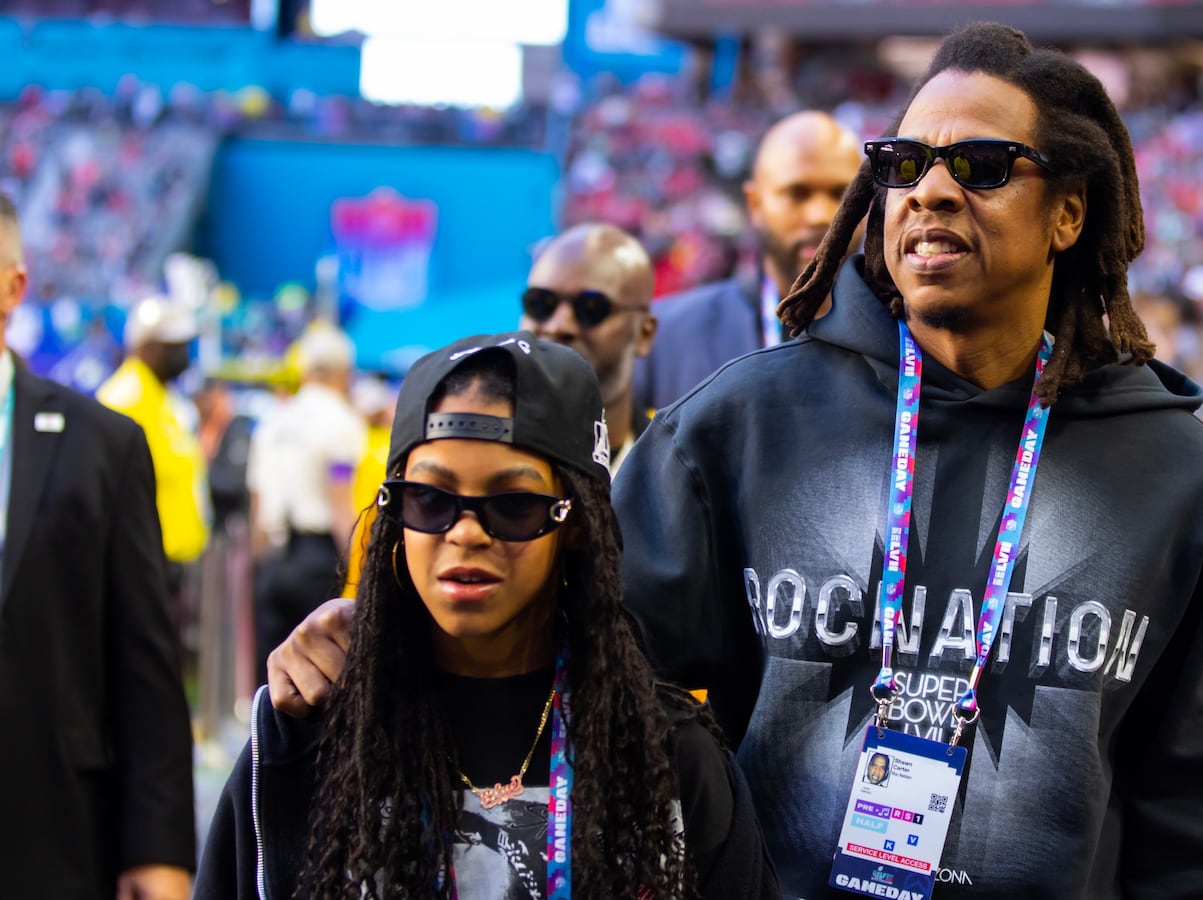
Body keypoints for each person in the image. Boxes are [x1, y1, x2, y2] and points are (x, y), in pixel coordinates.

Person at [270, 24, 1203, 898]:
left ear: (1068, 212)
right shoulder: (740, 425)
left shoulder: (1176, 476)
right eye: (903, 164)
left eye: (979, 165)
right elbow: (570, 652)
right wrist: (378, 635)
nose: (929, 191)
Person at [198, 333, 778, 899]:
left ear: (576, 523)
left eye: (514, 505)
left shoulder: (664, 754)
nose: (466, 533)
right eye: (430, 498)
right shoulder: (311, 733)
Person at [0, 193, 195, 898]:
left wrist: (158, 848)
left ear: (13, 288)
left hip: (49, 837)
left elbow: (142, 661)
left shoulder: (101, 444)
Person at [633, 111, 862, 411]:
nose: (820, 215)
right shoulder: (667, 338)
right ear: (755, 205)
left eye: (841, 194)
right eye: (797, 193)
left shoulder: (905, 340)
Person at [247, 322, 367, 682]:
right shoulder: (342, 422)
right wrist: (358, 566)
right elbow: (340, 499)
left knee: (271, 681)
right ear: (343, 373)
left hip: (273, 560)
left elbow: (257, 504)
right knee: (322, 678)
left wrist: (261, 569)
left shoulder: (273, 420)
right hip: (317, 560)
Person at [520, 223, 656, 471]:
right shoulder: (475, 455)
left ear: (644, 334)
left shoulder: (679, 475)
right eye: (541, 304)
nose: (558, 326)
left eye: (590, 308)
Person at [97, 294, 210, 577]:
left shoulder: (165, 399)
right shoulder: (124, 400)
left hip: (170, 561)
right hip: (142, 563)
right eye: (172, 347)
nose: (182, 354)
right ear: (145, 347)